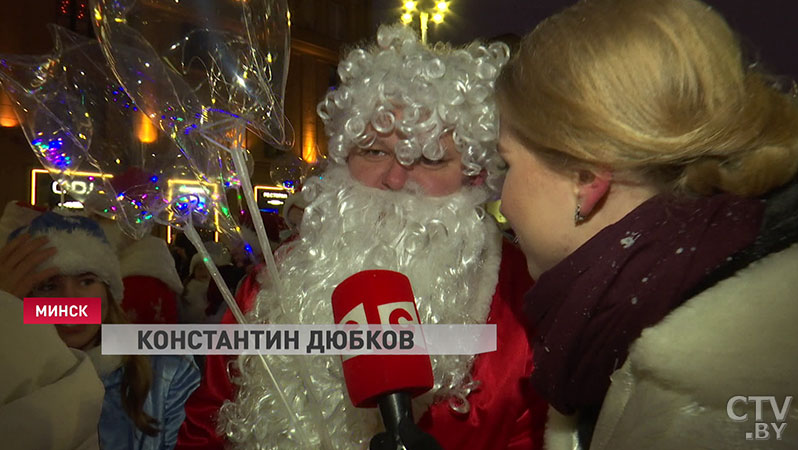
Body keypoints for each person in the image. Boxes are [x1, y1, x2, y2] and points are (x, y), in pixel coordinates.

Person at [177, 25, 548, 449]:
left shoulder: (526, 307)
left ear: (475, 173)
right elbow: (205, 426)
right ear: (343, 157)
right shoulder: (270, 289)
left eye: (428, 158)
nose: (394, 179)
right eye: (374, 151)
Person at [494, 0, 798, 448]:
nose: (502, 202)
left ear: (586, 178)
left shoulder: (708, 406)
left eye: (507, 165)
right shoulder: (635, 318)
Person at [2, 210, 201, 449]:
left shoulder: (167, 372)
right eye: (48, 286)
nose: (70, 301)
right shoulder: (11, 374)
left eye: (86, 281)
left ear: (109, 291)